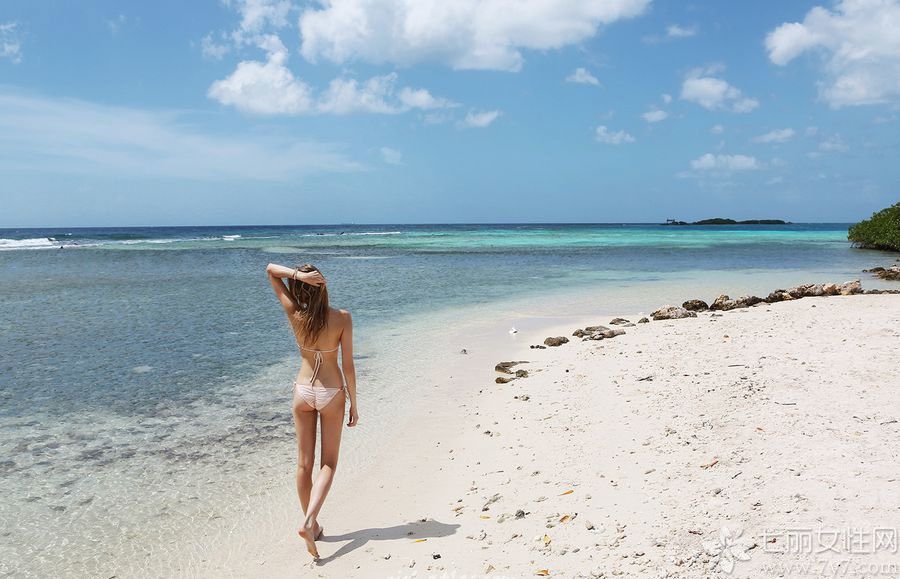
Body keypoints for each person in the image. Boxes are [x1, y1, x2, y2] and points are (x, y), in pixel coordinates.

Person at [266, 262, 359, 559]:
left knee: (303, 465)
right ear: (323, 286)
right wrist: (354, 403)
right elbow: (348, 366)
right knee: (328, 464)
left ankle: (312, 523)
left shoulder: (295, 313)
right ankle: (309, 521)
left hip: (303, 391)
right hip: (331, 393)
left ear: (298, 289)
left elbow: (270, 270)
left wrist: (296, 275)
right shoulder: (342, 318)